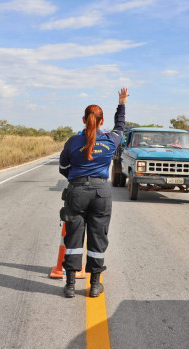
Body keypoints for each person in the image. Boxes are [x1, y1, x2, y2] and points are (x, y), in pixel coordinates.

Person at [58, 88, 129, 298]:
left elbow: (63, 168)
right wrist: (122, 103)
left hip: (77, 192)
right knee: (98, 237)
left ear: (83, 119)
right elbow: (120, 127)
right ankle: (95, 285)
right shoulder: (110, 139)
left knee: (73, 238)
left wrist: (77, 178)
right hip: (101, 193)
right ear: (101, 121)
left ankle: (70, 285)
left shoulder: (72, 142)